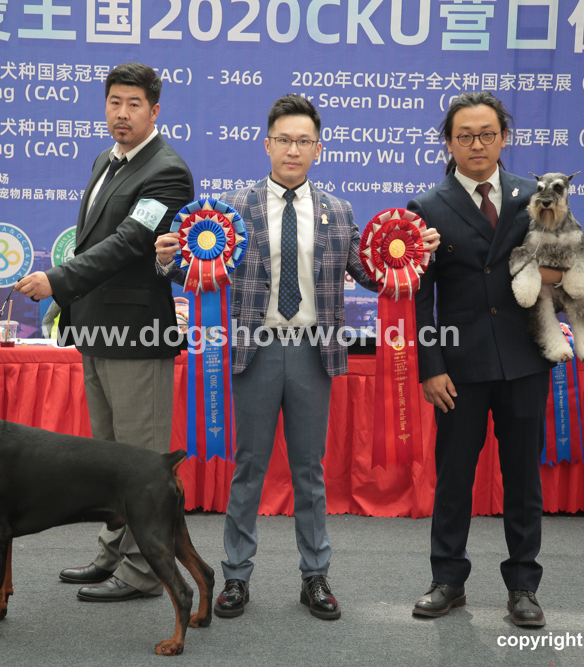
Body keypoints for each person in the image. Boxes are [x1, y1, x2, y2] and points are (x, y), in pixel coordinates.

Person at [155, 95, 440, 621]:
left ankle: (315, 576)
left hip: (313, 352)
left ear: (318, 148)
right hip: (255, 350)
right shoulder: (232, 209)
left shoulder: (338, 211)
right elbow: (198, 272)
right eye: (284, 140)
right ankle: (236, 577)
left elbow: (371, 274)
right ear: (267, 145)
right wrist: (168, 260)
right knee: (250, 467)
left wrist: (416, 255)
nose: (293, 149)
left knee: (310, 471)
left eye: (303, 141)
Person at [15, 62, 194, 602]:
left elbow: (128, 244)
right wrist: (70, 302)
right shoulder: (105, 160)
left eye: (134, 104)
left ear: (154, 111)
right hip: (96, 331)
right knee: (109, 459)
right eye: (115, 101)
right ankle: (113, 551)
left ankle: (143, 571)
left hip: (137, 335)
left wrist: (57, 281)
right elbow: (94, 240)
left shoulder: (167, 172)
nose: (122, 113)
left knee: (141, 461)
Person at [407, 92, 561, 627]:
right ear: (449, 143)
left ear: (504, 138)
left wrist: (557, 275)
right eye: (465, 136)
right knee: (454, 478)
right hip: (459, 368)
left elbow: (568, 258)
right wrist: (431, 367)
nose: (477, 144)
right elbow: (421, 298)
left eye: (487, 134)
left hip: (524, 360)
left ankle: (523, 586)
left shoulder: (533, 196)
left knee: (523, 480)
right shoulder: (426, 206)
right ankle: (447, 580)